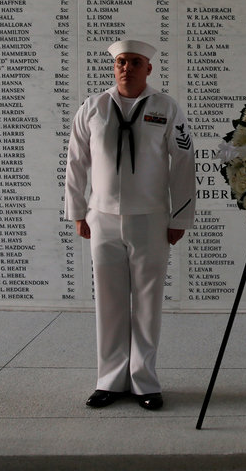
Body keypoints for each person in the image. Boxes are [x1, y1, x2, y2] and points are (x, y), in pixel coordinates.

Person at [64, 39, 196, 411]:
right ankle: (109, 380)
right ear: (114, 66)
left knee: (148, 303)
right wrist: (77, 211)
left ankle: (144, 381)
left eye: (135, 62)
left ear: (148, 69)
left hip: (151, 218)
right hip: (102, 218)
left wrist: (180, 216)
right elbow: (76, 161)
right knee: (109, 302)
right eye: (121, 61)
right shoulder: (93, 107)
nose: (127, 68)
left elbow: (184, 161)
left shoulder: (166, 108)